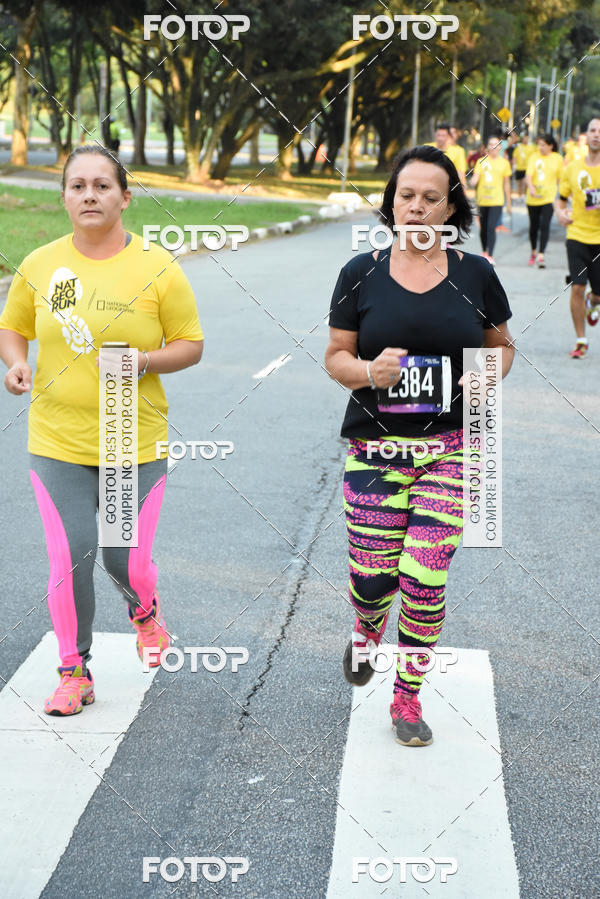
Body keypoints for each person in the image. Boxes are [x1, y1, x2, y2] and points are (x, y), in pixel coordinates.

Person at [0, 146, 204, 714]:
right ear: (64, 196)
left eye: (102, 186)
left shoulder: (158, 267)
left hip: (129, 440)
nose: (89, 195)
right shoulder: (40, 264)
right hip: (57, 440)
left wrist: (142, 361)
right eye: (77, 186)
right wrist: (15, 362)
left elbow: (190, 345)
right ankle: (74, 670)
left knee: (125, 559)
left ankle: (146, 613)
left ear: (124, 197)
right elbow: (12, 326)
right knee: (71, 554)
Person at [325, 145, 514, 747]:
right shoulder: (360, 273)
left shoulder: (477, 274)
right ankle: (365, 628)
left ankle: (407, 699)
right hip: (376, 450)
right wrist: (365, 373)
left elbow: (503, 346)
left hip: (451, 449)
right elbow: (334, 356)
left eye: (431, 197)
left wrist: (483, 374)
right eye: (407, 195)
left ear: (449, 206)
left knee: (425, 576)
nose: (417, 207)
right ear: (391, 203)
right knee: (376, 579)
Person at [555, 118, 600, 358]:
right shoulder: (572, 168)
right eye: (592, 130)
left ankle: (594, 304)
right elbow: (560, 198)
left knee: (597, 293)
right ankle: (581, 340)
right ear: (586, 135)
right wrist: (560, 212)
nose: (596, 135)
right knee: (577, 288)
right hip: (577, 235)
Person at [469, 135, 512, 264]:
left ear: (499, 147)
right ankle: (484, 251)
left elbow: (507, 184)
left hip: (497, 201)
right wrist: (472, 181)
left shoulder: (504, 163)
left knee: (491, 227)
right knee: (483, 228)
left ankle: (490, 255)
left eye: (495, 144)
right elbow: (475, 177)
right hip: (483, 200)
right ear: (487, 147)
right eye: (490, 144)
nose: (493, 146)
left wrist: (509, 203)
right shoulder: (481, 161)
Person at [525, 133, 563, 268]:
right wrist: (531, 188)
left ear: (551, 146)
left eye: (543, 145)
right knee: (533, 227)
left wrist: (562, 196)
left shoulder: (558, 158)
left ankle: (541, 255)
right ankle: (533, 251)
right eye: (539, 144)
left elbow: (560, 178)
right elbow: (528, 176)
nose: (540, 147)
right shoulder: (534, 157)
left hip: (549, 198)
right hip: (533, 198)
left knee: (545, 225)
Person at [428, 122, 467, 187]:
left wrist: (463, 193)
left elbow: (461, 174)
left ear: (448, 136)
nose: (440, 138)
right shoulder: (427, 147)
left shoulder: (458, 152)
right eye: (438, 135)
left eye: (443, 135)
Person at [512, 133, 535, 198]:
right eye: (525, 138)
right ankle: (519, 195)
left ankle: (524, 195)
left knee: (526, 182)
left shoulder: (531, 147)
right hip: (519, 167)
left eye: (527, 138)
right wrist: (514, 165)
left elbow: (534, 157)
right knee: (519, 183)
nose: (526, 139)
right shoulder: (519, 147)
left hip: (527, 168)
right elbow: (514, 156)